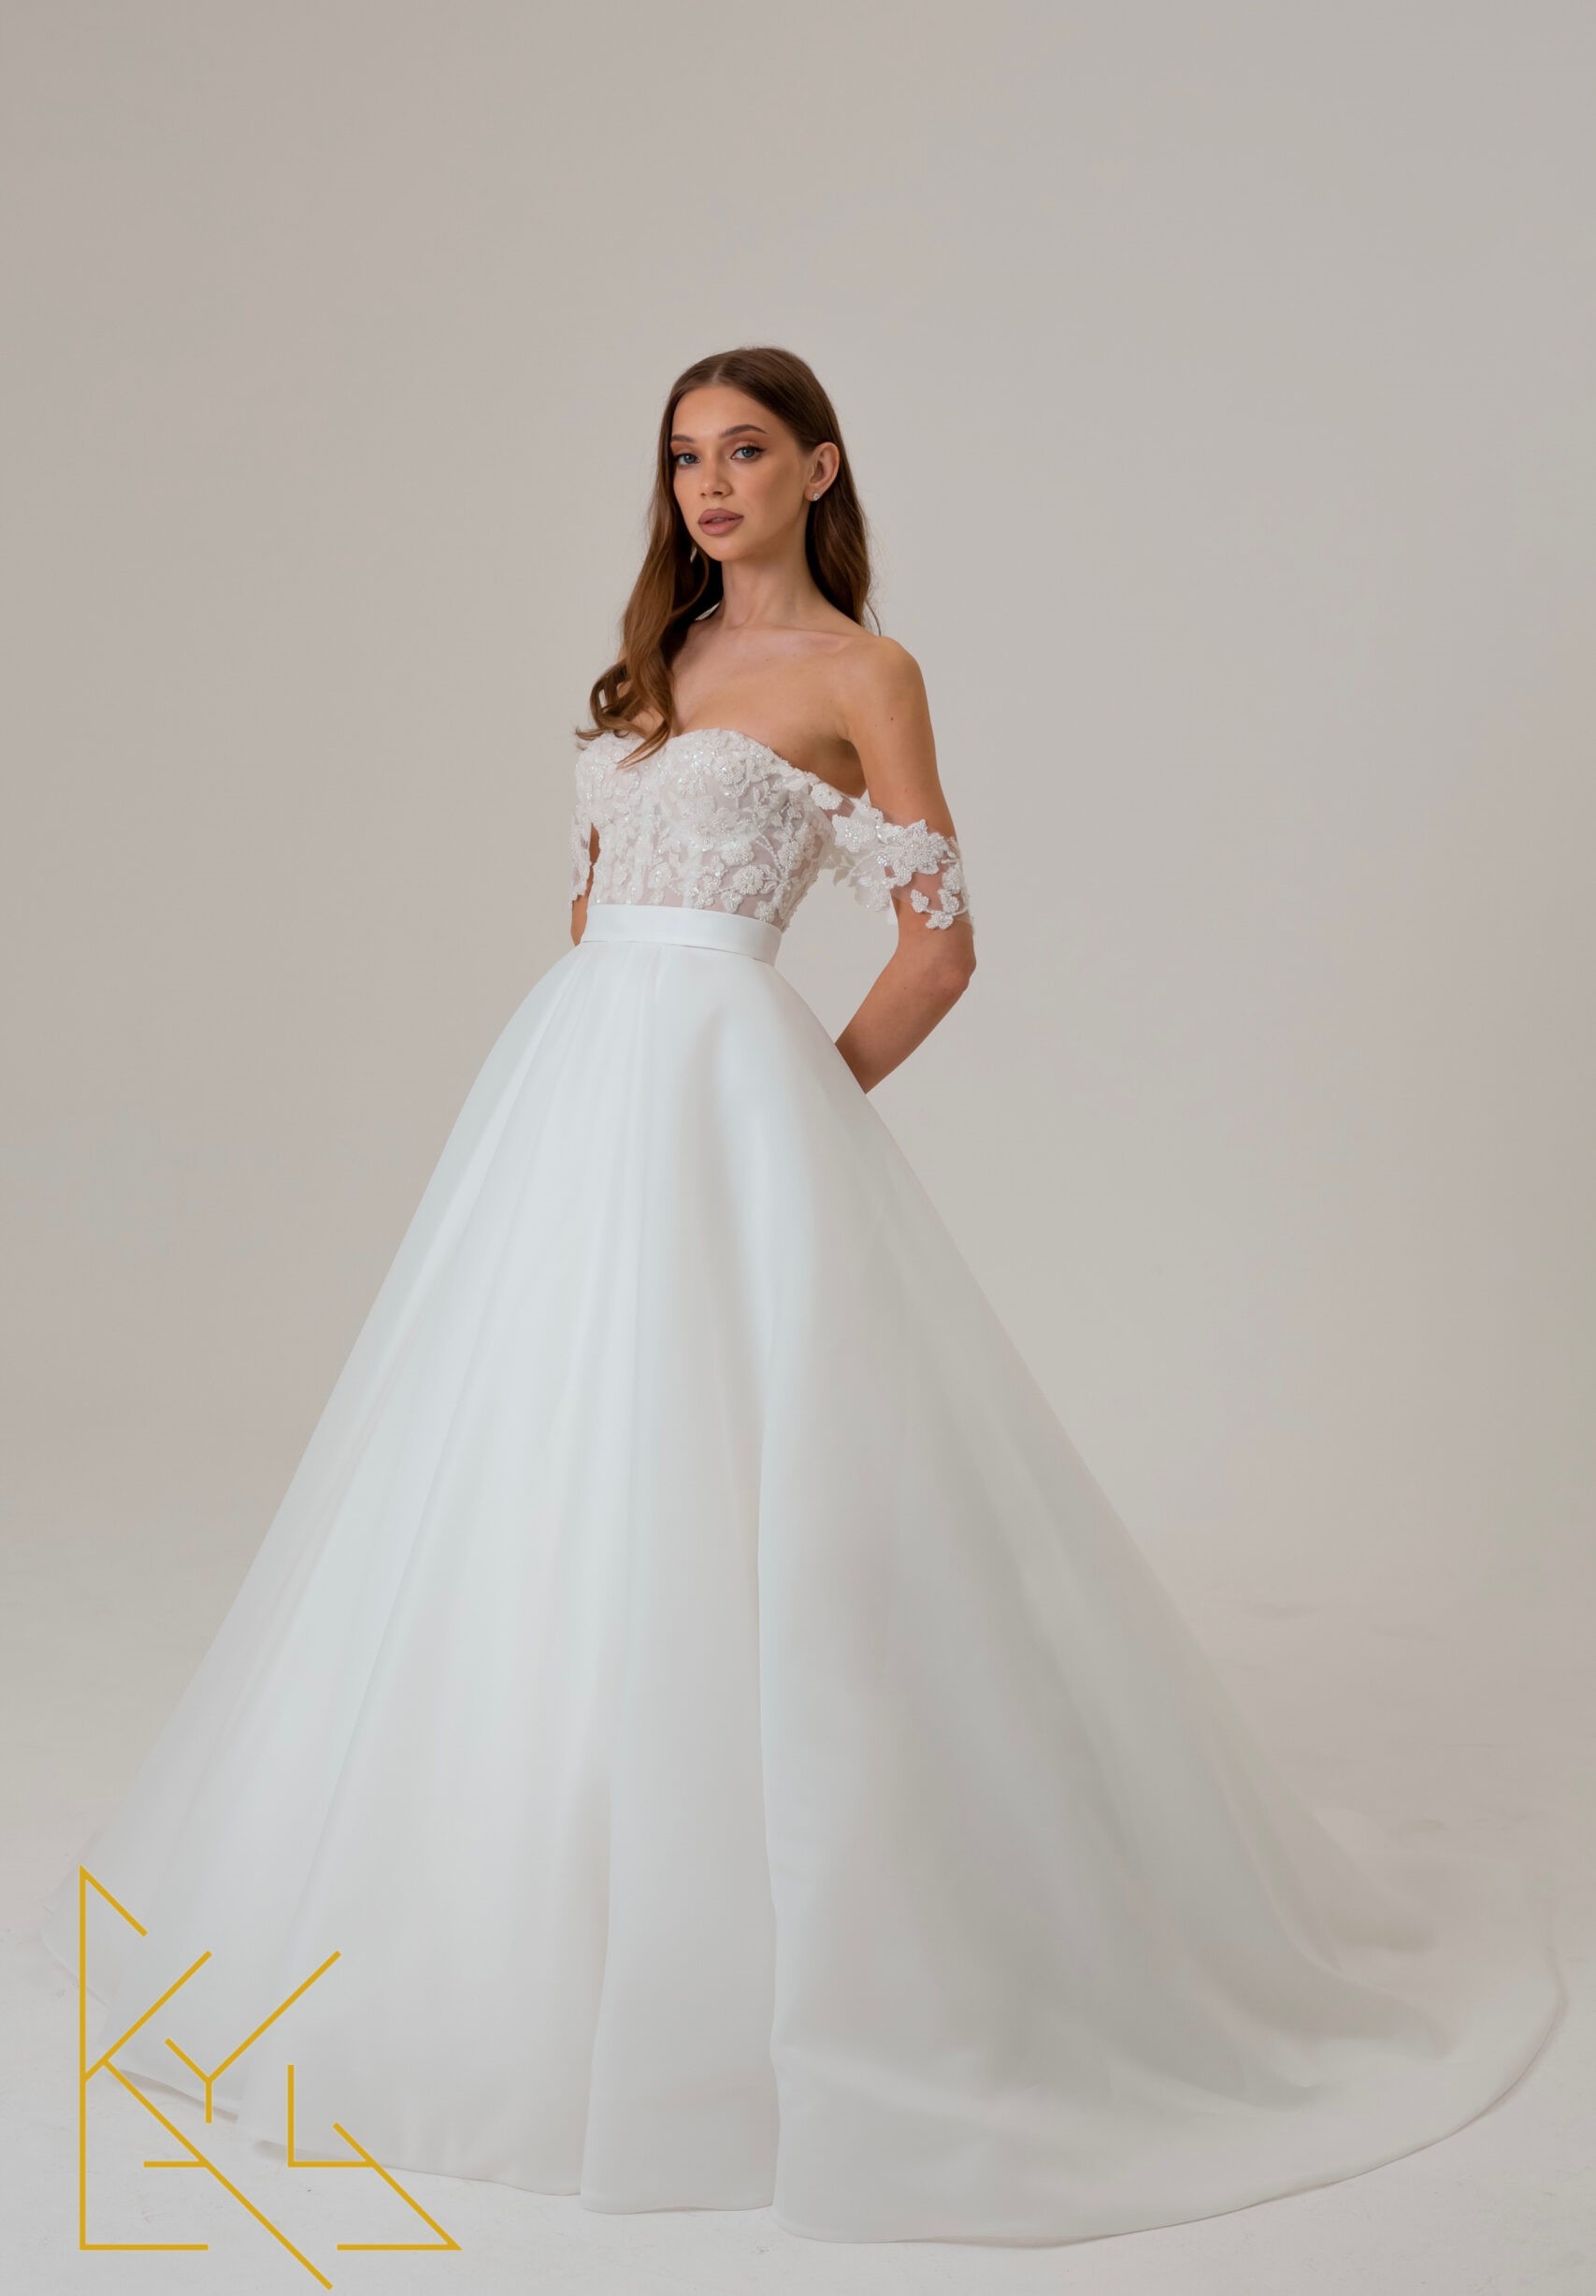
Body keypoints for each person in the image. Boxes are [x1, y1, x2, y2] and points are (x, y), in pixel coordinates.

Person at [40, 345, 1560, 2247]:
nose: (709, 482)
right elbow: (596, 905)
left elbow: (942, 946)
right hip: (572, 1092)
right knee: (538, 1465)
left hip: (723, 1092)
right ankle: (518, 1901)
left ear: (818, 468)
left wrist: (791, 1099)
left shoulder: (865, 675)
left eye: (746, 449)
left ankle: (806, 1932)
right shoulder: (654, 665)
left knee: (754, 1488)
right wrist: (611, 1041)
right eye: (684, 454)